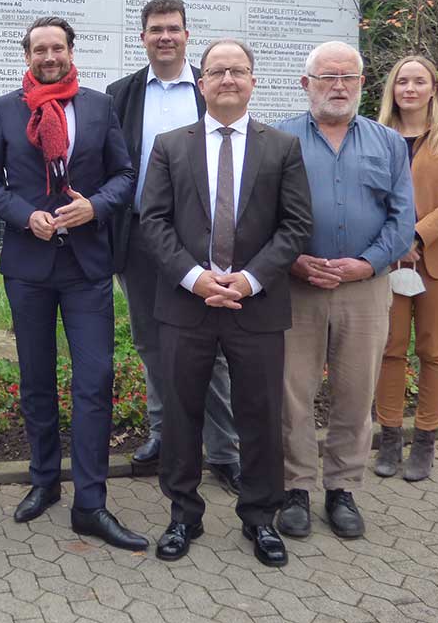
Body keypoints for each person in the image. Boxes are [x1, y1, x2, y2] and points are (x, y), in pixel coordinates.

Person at [0, 16, 147, 551]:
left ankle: (90, 504)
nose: (49, 56)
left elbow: (125, 173)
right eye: (39, 49)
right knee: (36, 380)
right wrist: (26, 216)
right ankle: (44, 480)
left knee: (93, 381)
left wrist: (92, 206)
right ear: (27, 55)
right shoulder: (5, 109)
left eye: (57, 47)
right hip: (29, 264)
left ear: (71, 50)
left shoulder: (99, 106)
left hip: (86, 264)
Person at [139, 39, 312, 567]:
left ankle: (260, 518)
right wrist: (194, 278)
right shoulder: (171, 145)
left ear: (253, 80)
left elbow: (297, 225)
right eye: (217, 71)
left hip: (254, 306)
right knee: (182, 414)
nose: (227, 79)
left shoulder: (281, 146)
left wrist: (250, 280)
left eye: (238, 71)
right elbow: (153, 221)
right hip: (186, 304)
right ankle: (182, 515)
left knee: (259, 414)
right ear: (201, 81)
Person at [275, 41, 415, 540]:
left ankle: (341, 488)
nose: (338, 86)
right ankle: (294, 488)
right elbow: (258, 214)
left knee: (355, 392)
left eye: (348, 77)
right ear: (305, 83)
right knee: (293, 392)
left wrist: (364, 265)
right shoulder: (278, 138)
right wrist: (291, 261)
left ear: (361, 84)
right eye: (327, 76)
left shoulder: (389, 143)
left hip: (365, 291)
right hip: (296, 288)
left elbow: (403, 221)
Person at [106, 0, 241, 489]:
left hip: (202, 242)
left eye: (174, 29)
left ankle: (225, 451)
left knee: (212, 346)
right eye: (155, 29)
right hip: (141, 236)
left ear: (187, 35)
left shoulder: (209, 90)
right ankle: (165, 435)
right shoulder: (119, 94)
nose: (165, 37)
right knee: (151, 342)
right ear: (142, 38)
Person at [374, 55, 438, 481]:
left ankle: (426, 440)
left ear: (434, 88)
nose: (410, 89)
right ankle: (391, 437)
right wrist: (391, 243)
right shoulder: (375, 136)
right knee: (388, 348)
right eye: (402, 82)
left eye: (419, 81)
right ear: (392, 90)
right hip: (387, 260)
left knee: (434, 350)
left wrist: (415, 236)